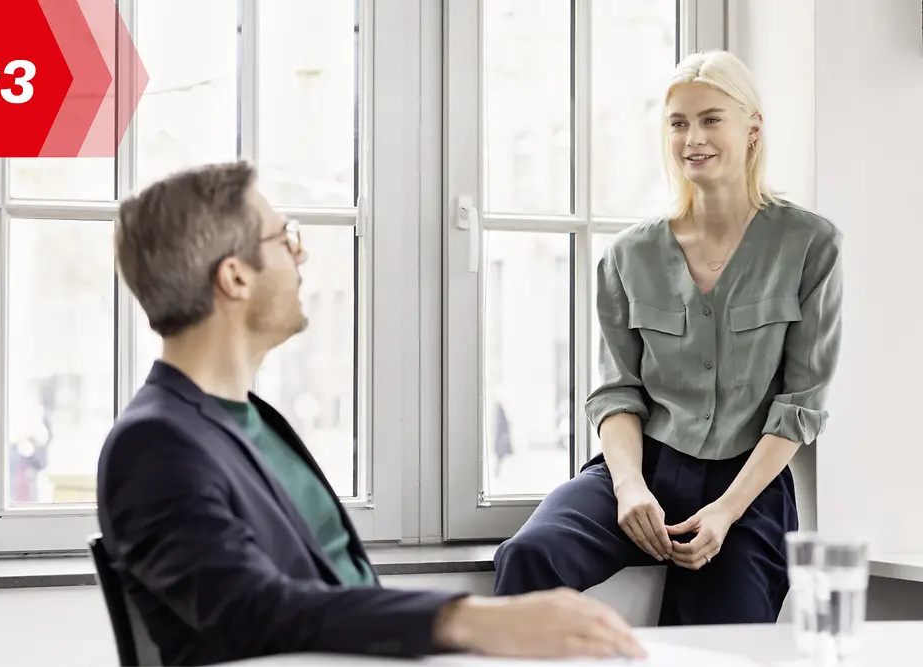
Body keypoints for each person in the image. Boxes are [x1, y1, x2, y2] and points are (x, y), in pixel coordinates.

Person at [96, 161, 645, 667]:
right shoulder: (154, 446)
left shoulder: (253, 419)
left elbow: (331, 588)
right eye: (286, 239)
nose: (301, 255)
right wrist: (471, 619)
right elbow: (250, 610)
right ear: (235, 277)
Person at [493, 49, 842, 627]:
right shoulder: (631, 254)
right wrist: (629, 487)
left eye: (711, 119)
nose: (692, 139)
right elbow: (615, 393)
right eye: (678, 123)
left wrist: (728, 511)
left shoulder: (810, 245)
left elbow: (800, 406)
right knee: (531, 555)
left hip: (746, 486)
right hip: (641, 466)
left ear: (752, 128)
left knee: (720, 637)